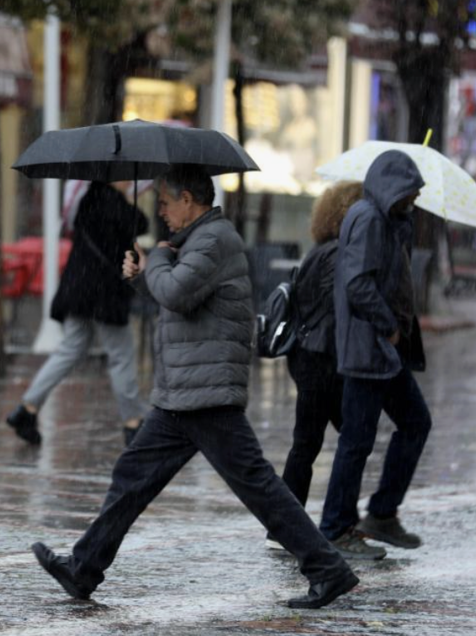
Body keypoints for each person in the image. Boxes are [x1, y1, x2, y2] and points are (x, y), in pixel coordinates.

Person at [30, 165, 358, 610]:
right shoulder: (195, 242)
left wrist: (157, 260)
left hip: (206, 390)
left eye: (164, 202)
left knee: (258, 486)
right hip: (183, 391)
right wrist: (143, 275)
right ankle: (83, 568)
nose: (160, 211)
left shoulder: (215, 240)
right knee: (133, 476)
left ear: (188, 199)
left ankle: (328, 569)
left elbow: (178, 292)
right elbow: (177, 298)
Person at [265, 181, 386, 561]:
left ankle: (290, 527)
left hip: (312, 357)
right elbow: (344, 303)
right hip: (323, 361)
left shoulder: (323, 251)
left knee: (315, 442)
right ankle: (327, 525)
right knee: (344, 440)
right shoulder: (337, 255)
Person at [319, 150, 432, 552]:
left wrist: (403, 223)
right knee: (357, 440)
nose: (415, 199)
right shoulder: (368, 218)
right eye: (410, 192)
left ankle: (382, 513)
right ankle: (336, 526)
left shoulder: (388, 220)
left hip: (384, 352)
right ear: (392, 188)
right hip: (371, 349)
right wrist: (389, 328)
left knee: (413, 423)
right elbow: (357, 284)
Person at [6, 181, 149, 446]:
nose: (130, 181)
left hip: (78, 289)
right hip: (103, 294)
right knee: (121, 354)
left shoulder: (86, 200)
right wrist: (129, 200)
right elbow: (141, 223)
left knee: (69, 349)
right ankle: (133, 422)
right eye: (125, 177)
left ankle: (27, 407)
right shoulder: (114, 204)